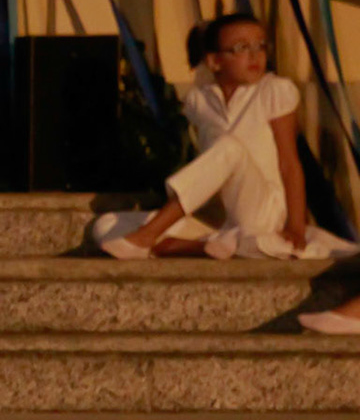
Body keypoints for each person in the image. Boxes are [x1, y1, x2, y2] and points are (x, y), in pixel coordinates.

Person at [94, 14, 357, 262]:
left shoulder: (274, 91)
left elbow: (290, 163)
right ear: (214, 61)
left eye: (260, 46)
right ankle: (201, 246)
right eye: (241, 48)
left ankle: (152, 237)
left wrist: (296, 227)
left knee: (230, 149)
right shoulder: (200, 100)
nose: (255, 55)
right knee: (105, 224)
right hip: (219, 218)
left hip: (261, 212)